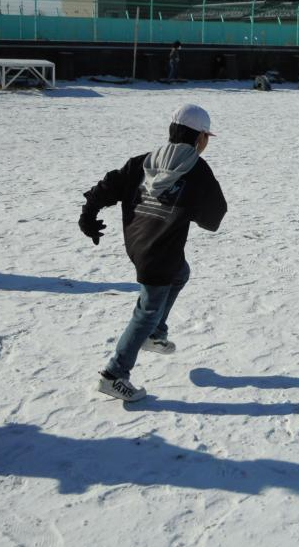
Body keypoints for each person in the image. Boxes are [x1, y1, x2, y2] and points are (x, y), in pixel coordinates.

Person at [79, 103, 227, 401]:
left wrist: (88, 214)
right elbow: (214, 217)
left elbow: (109, 184)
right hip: (161, 253)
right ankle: (115, 374)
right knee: (147, 308)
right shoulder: (196, 169)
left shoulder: (143, 161)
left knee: (181, 273)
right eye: (206, 137)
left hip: (138, 244)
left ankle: (155, 332)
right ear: (199, 137)